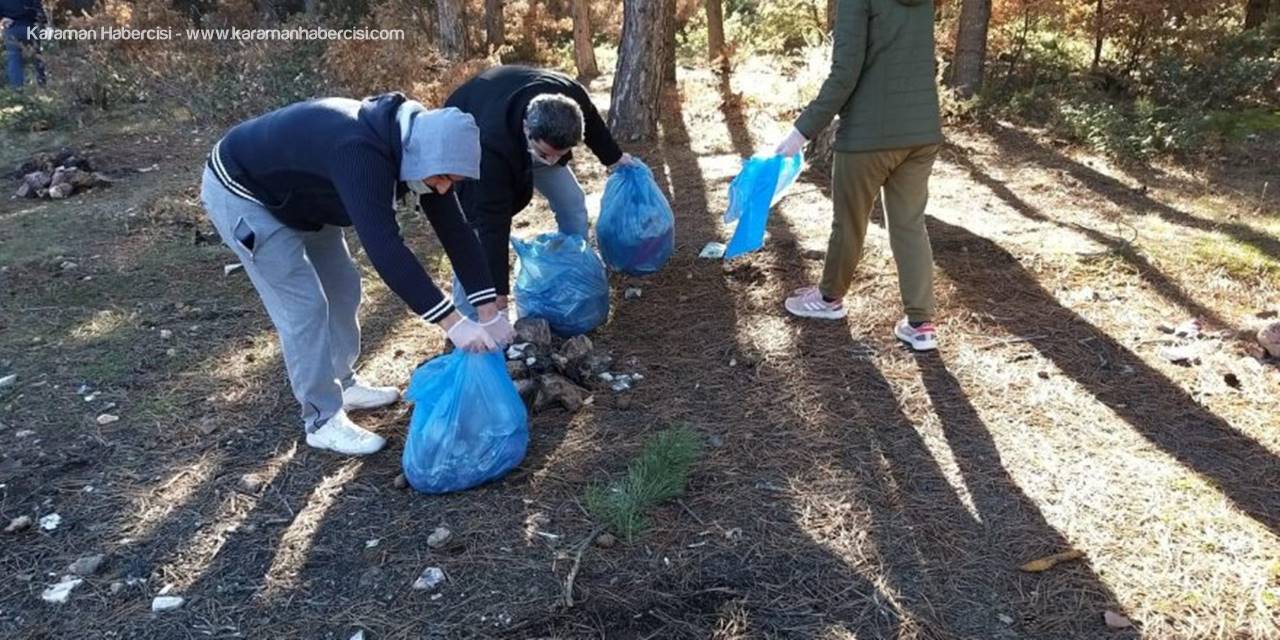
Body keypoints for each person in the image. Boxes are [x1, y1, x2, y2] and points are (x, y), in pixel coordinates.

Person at [201, 93, 515, 456]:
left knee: (344, 288)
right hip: (244, 193)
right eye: (443, 178)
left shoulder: (424, 150)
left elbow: (457, 232)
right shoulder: (361, 153)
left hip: (306, 196)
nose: (445, 188)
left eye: (453, 181)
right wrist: (453, 323)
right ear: (421, 159)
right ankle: (321, 419)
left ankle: (343, 383)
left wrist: (490, 312)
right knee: (305, 306)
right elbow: (384, 247)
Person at [774, 0, 944, 352]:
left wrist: (800, 133)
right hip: (921, 130)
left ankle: (828, 299)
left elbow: (844, 72)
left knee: (849, 223)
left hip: (869, 135)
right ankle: (921, 324)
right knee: (910, 225)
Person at [444, 65, 634, 313]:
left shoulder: (570, 97)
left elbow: (594, 126)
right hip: (471, 131)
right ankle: (468, 316)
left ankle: (576, 274)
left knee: (572, 202)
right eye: (546, 154)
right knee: (477, 235)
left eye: (561, 155)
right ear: (526, 128)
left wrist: (615, 159)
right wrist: (499, 293)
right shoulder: (490, 148)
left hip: (521, 122)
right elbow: (493, 223)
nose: (553, 162)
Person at [1, 0, 48, 89]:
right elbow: (39, 12)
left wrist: (3, 18)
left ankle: (17, 90)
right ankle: (41, 86)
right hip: (30, 27)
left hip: (12, 28)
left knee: (14, 60)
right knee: (37, 58)